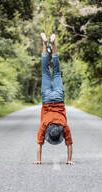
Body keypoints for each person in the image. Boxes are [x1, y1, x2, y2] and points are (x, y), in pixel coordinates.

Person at [34, 33, 74, 165]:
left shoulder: (64, 125)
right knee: (45, 71)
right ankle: (45, 44)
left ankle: (52, 44)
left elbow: (69, 144)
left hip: (58, 96)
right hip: (46, 97)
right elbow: (39, 144)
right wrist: (38, 160)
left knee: (56, 71)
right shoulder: (44, 125)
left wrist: (69, 160)